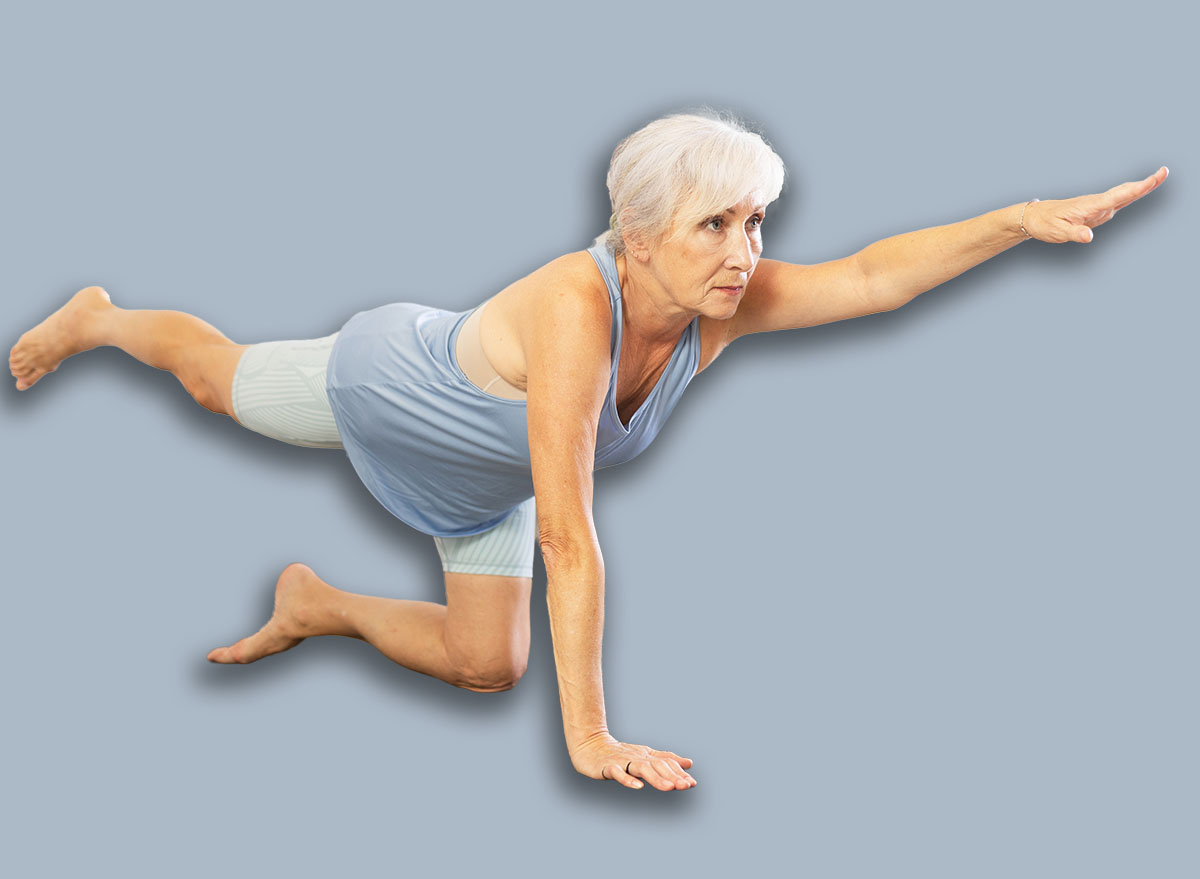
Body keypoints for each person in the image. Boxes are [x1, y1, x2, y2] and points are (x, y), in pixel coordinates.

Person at [8, 112, 1167, 792]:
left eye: (756, 220)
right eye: (716, 225)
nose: (745, 249)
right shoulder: (578, 308)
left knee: (485, 665)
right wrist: (590, 737)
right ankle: (102, 315)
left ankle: (316, 604)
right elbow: (570, 532)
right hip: (391, 393)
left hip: (484, 483)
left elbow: (868, 277)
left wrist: (1015, 223)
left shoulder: (727, 302)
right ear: (642, 235)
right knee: (215, 381)